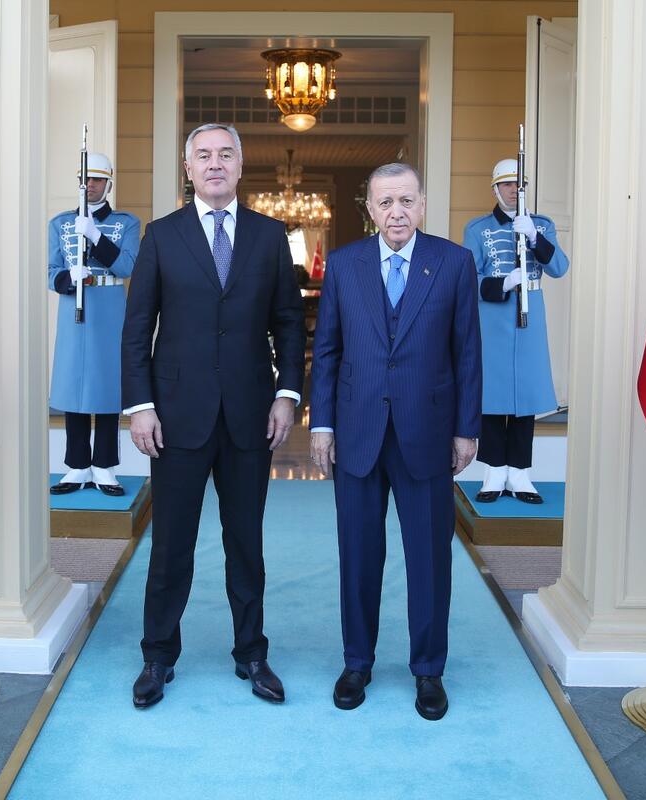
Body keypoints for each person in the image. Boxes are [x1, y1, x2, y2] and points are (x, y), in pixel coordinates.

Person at [121, 123, 306, 709]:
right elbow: (137, 330)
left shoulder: (270, 236)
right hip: (175, 418)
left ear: (241, 166)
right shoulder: (161, 236)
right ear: (189, 168)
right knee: (170, 545)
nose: (215, 164)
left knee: (246, 544)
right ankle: (158, 655)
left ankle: (251, 652)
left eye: (226, 154)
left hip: (251, 415)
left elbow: (289, 323)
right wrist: (141, 407)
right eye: (204, 155)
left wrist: (287, 394)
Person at [310, 163, 481, 721]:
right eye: (385, 202)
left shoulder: (454, 263)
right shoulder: (344, 265)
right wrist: (322, 424)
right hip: (357, 435)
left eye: (406, 200)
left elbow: (467, 352)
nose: (396, 212)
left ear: (423, 204)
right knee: (358, 556)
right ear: (370, 209)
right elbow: (327, 351)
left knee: (429, 558)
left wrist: (466, 428)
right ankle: (356, 662)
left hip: (427, 434)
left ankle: (428, 670)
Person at [462, 158, 569, 504]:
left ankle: (520, 474)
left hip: (530, 318)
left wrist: (535, 237)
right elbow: (467, 278)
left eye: (517, 184)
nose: (512, 190)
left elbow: (559, 267)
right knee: (493, 397)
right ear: (495, 189)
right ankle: (494, 472)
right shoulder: (477, 229)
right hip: (493, 317)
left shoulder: (542, 225)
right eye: (506, 184)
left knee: (526, 397)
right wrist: (502, 283)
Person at [48, 153, 140, 496]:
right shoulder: (60, 223)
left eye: (97, 180)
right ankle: (77, 466)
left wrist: (96, 237)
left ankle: (104, 466)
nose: (90, 186)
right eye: (85, 180)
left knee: (106, 387)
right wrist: (68, 277)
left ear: (108, 183)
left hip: (109, 305)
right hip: (74, 305)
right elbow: (50, 270)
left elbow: (127, 266)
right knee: (73, 387)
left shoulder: (126, 223)